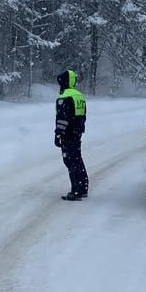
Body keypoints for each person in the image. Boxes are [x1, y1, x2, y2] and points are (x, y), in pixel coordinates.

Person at [55, 68, 88, 201]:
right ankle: (83, 187)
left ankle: (76, 190)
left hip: (68, 134)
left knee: (70, 160)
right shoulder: (79, 95)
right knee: (77, 159)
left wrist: (58, 134)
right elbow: (83, 115)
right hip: (77, 132)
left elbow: (62, 118)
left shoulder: (64, 96)